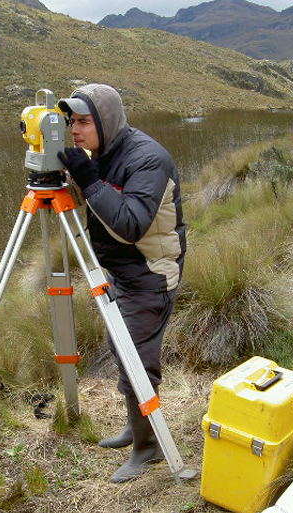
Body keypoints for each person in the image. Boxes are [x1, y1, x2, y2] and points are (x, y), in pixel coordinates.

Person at [57, 84, 186, 483]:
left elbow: (130, 224)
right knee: (121, 346)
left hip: (150, 273)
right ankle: (137, 427)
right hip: (123, 270)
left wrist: (89, 180)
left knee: (137, 361)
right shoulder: (106, 152)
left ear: (104, 121)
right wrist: (80, 178)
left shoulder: (148, 158)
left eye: (82, 122)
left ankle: (147, 450)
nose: (73, 131)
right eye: (69, 122)